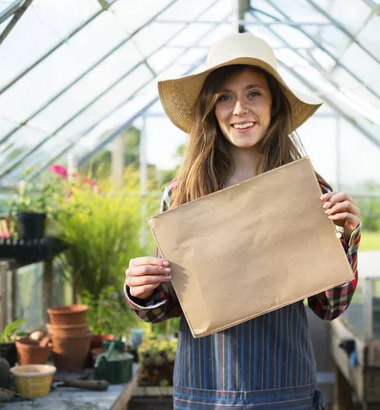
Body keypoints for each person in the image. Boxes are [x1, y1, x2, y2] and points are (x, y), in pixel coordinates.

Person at [124, 33, 361, 410]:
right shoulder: (182, 193)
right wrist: (141, 289)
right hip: (205, 390)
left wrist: (346, 240)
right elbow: (169, 303)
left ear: (274, 105)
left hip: (285, 389)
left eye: (253, 94)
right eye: (225, 97)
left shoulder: (310, 190)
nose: (239, 109)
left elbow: (328, 307)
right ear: (210, 108)